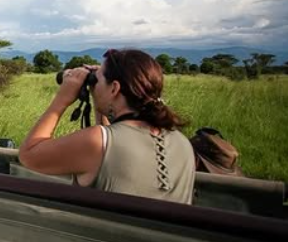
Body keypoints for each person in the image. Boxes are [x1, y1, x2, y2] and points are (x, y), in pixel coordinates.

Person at [19, 49, 195, 204]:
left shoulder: (96, 142)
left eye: (97, 80)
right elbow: (113, 137)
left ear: (115, 88)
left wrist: (62, 99)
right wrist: (101, 98)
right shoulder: (182, 142)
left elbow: (29, 155)